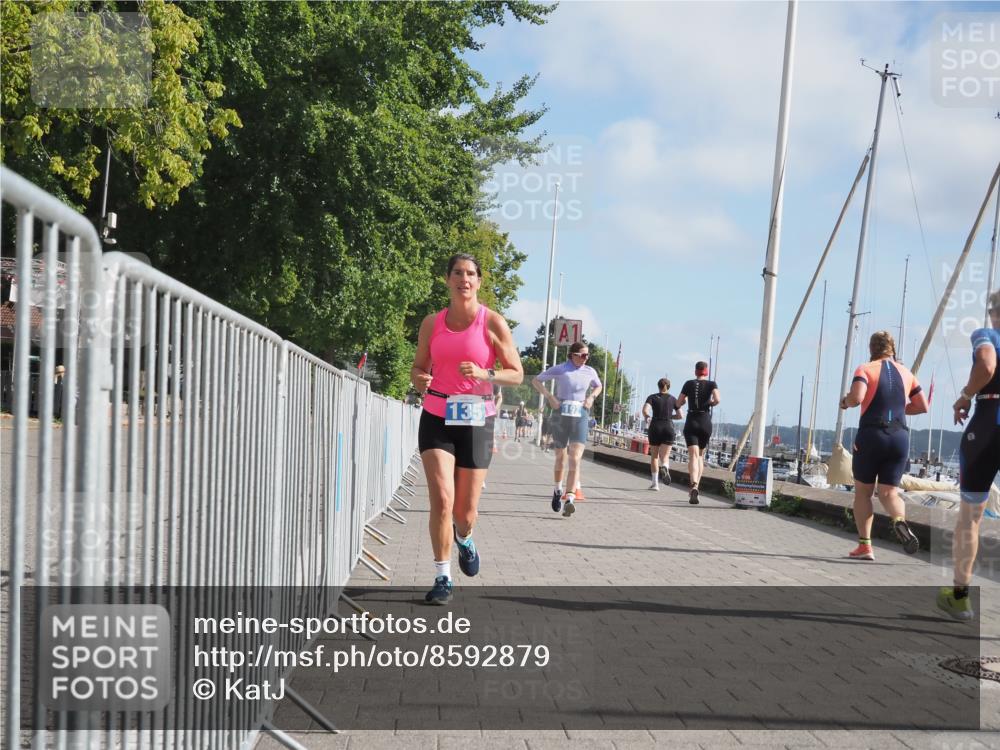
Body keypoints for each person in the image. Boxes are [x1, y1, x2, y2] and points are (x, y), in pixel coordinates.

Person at [411, 253, 523, 605]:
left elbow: (516, 373)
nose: (464, 279)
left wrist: (486, 374)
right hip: (437, 414)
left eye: (471, 274)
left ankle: (465, 537)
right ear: (447, 280)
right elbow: (418, 367)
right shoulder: (432, 323)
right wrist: (420, 381)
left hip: (476, 417)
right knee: (442, 500)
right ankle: (443, 576)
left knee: (465, 512)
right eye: (457, 273)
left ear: (479, 281)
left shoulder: (493, 323)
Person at [937, 292, 1000, 620]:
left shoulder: (987, 334)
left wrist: (965, 395)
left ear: (993, 312)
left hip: (989, 423)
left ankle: (960, 597)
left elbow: (987, 364)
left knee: (971, 516)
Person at [839, 331, 927, 561]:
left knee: (863, 493)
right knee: (889, 493)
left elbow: (857, 398)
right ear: (893, 349)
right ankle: (899, 521)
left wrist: (845, 402)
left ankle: (865, 546)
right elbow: (922, 405)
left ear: (872, 349)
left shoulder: (865, 369)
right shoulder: (907, 373)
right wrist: (899, 409)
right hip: (899, 437)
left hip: (872, 435)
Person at [532, 341, 602, 517]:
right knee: (560, 458)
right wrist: (549, 397)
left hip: (580, 414)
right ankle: (557, 490)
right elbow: (536, 380)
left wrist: (591, 397)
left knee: (575, 458)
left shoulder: (590, 371)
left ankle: (569, 498)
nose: (586, 358)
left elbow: (598, 386)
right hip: (561, 413)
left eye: (588, 355)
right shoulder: (561, 369)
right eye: (583, 355)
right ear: (573, 355)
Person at [674, 362, 719, 504]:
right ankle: (697, 486)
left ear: (695, 371)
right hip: (705, 421)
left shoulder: (688, 384)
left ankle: (693, 484)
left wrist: (682, 403)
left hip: (692, 420)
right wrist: (709, 404)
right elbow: (717, 399)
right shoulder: (712, 384)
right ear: (706, 371)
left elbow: (679, 402)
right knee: (700, 456)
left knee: (692, 456)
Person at [642, 378, 682, 490]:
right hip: (668, 427)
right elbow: (680, 415)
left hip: (655, 426)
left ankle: (655, 484)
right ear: (668, 387)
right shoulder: (673, 399)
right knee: (665, 457)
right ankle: (664, 466)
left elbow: (645, 410)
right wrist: (670, 416)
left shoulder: (652, 397)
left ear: (658, 386)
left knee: (654, 456)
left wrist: (647, 417)